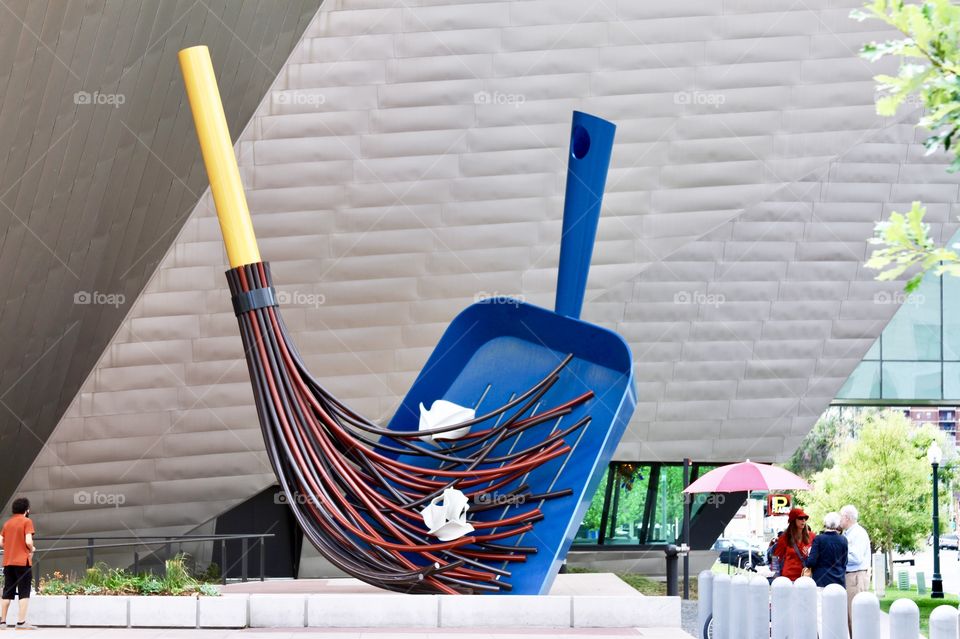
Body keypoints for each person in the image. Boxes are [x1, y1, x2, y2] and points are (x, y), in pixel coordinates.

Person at [0, 498, 35, 630]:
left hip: (8, 562)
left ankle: (3, 622)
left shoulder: (7, 523)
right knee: (24, 591)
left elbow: (1, 542)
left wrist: (10, 547)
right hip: (22, 562)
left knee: (7, 591)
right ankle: (21, 623)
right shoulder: (27, 521)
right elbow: (28, 541)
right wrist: (31, 549)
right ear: (26, 510)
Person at [841, 505, 871, 623]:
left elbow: (856, 558)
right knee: (850, 617)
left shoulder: (858, 533)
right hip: (851, 576)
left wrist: (838, 557)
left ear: (847, 518)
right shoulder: (848, 533)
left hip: (856, 577)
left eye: (841, 516)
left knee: (855, 617)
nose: (840, 519)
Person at [804, 512, 848, 588]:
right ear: (838, 524)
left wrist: (807, 559)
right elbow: (844, 562)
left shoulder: (819, 539)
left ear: (825, 523)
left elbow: (811, 562)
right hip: (838, 580)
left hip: (821, 580)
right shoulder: (843, 540)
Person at [773, 507, 815, 581]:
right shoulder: (784, 538)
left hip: (806, 578)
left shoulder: (812, 536)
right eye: (800, 518)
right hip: (788, 578)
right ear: (793, 520)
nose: (803, 520)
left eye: (805, 518)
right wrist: (776, 577)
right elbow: (775, 558)